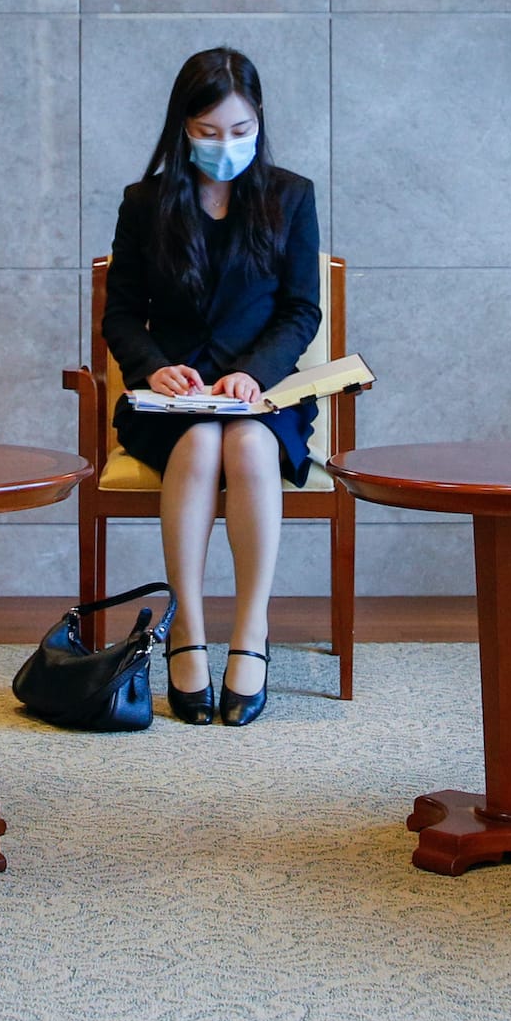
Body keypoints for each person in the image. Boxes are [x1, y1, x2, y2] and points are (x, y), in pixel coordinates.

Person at [103, 47, 322, 728]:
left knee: (250, 447)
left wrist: (253, 373)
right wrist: (152, 367)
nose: (226, 146)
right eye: (208, 133)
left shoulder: (291, 196)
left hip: (258, 393)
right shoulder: (145, 204)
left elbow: (300, 309)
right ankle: (188, 629)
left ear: (259, 123)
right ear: (182, 128)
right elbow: (119, 312)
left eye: (240, 131)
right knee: (199, 443)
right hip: (172, 397)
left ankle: (251, 631)